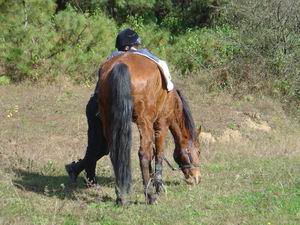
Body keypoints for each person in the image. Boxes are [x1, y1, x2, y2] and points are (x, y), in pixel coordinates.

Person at [65, 28, 173, 186]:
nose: (137, 50)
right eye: (135, 46)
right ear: (128, 48)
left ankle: (77, 169)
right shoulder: (144, 56)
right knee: (99, 146)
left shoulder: (111, 58)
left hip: (98, 105)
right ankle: (81, 171)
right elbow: (166, 75)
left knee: (101, 146)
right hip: (98, 106)